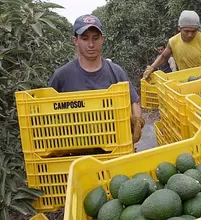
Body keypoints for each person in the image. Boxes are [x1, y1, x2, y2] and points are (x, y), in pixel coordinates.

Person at [48, 14, 144, 144]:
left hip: (113, 144)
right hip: (75, 148)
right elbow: (47, 110)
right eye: (85, 39)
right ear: (75, 40)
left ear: (102, 39)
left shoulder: (116, 72)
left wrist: (137, 120)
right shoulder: (62, 76)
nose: (91, 44)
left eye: (95, 38)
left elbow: (134, 101)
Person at [143, 10, 201, 80]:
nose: (190, 35)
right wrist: (152, 67)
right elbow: (164, 56)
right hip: (185, 79)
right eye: (186, 31)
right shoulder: (173, 41)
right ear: (179, 28)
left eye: (194, 31)